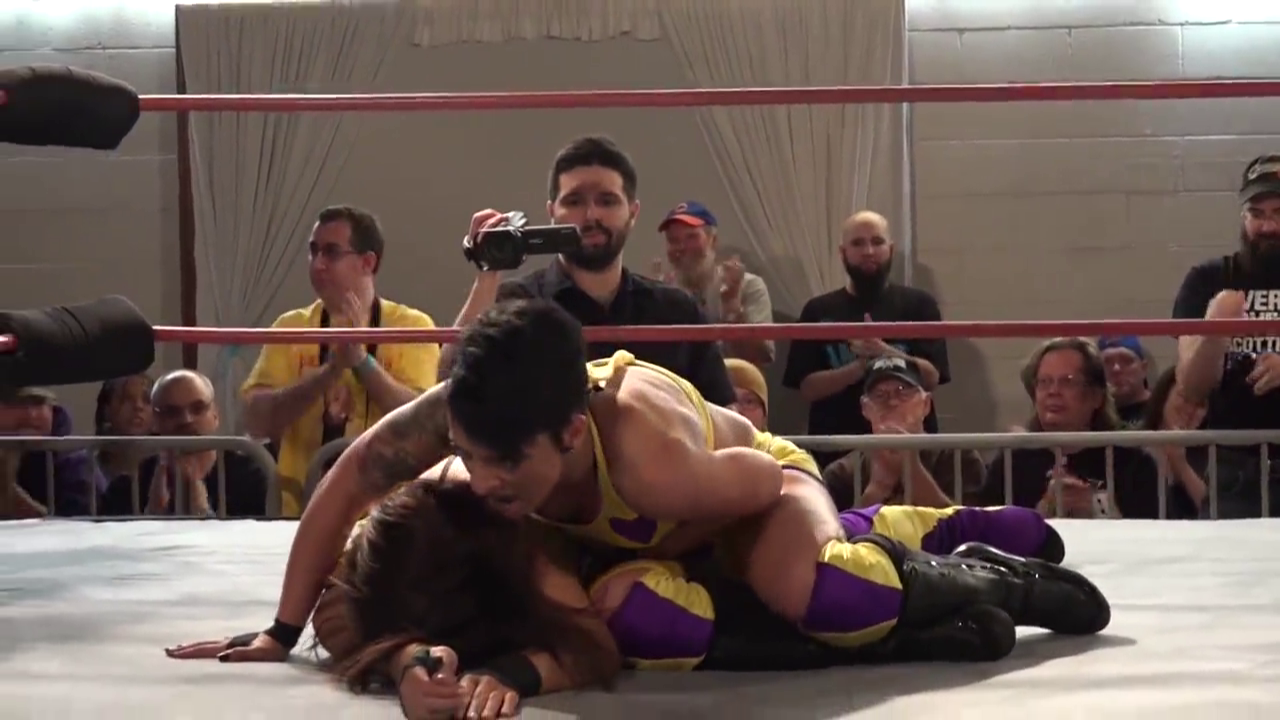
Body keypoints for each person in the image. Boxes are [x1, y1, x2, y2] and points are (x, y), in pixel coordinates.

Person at [168, 301, 1110, 701]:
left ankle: (981, 573)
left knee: (826, 594)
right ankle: (924, 612)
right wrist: (282, 630)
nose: (484, 482)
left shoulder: (648, 454)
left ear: (568, 435)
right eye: (470, 459)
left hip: (744, 497)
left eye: (505, 467)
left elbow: (777, 485)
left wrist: (777, 558)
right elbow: (345, 485)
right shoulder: (470, 436)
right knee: (646, 622)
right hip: (644, 544)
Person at [437, 136, 735, 406]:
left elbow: (726, 416)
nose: (591, 215)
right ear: (552, 212)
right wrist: (488, 270)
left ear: (633, 213)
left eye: (607, 201)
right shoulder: (513, 304)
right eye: (575, 201)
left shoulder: (678, 311)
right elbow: (450, 388)